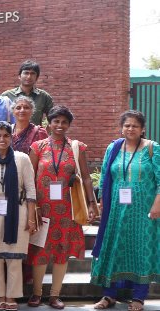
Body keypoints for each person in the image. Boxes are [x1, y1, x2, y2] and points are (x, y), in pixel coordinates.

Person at [27, 105, 97, 309]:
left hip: (67, 210)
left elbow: (85, 178)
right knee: (40, 251)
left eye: (64, 122)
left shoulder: (77, 147)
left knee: (62, 252)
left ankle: (55, 295)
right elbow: (29, 178)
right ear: (48, 122)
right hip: (42, 208)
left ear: (68, 125)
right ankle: (37, 293)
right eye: (56, 121)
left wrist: (92, 203)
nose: (59, 125)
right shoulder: (38, 147)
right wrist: (30, 206)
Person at [91, 111, 160, 311]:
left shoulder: (152, 148)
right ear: (122, 127)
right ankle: (109, 295)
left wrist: (157, 203)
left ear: (143, 129)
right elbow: (104, 177)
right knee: (113, 248)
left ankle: (138, 297)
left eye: (135, 126)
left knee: (141, 249)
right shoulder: (113, 148)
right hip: (116, 210)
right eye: (127, 125)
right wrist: (102, 203)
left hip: (143, 211)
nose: (130, 129)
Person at [0, 121, 39, 311]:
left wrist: (31, 218)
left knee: (14, 258)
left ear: (12, 137)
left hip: (18, 214)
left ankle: (12, 296)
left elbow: (31, 190)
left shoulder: (22, 159)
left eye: (6, 135)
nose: (2, 139)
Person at [1, 61, 53, 125]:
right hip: (12, 134)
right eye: (26, 73)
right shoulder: (6, 96)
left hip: (36, 134)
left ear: (37, 78)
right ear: (19, 76)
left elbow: (53, 118)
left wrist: (45, 133)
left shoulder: (44, 97)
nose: (29, 76)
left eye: (32, 73)